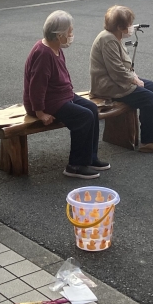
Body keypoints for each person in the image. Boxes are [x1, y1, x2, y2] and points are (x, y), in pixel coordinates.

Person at [23, 10, 108, 179]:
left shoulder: (55, 48)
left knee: (91, 108)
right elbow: (36, 87)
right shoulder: (43, 53)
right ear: (59, 35)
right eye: (70, 31)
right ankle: (75, 166)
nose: (71, 35)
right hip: (46, 103)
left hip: (60, 96)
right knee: (83, 117)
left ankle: (90, 158)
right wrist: (40, 112)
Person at [89, 5, 153, 153]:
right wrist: (134, 80)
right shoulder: (108, 40)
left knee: (151, 86)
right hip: (108, 85)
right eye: (129, 24)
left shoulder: (114, 36)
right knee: (148, 98)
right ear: (120, 27)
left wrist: (134, 77)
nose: (131, 27)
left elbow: (121, 67)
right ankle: (149, 141)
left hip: (116, 81)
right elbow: (117, 72)